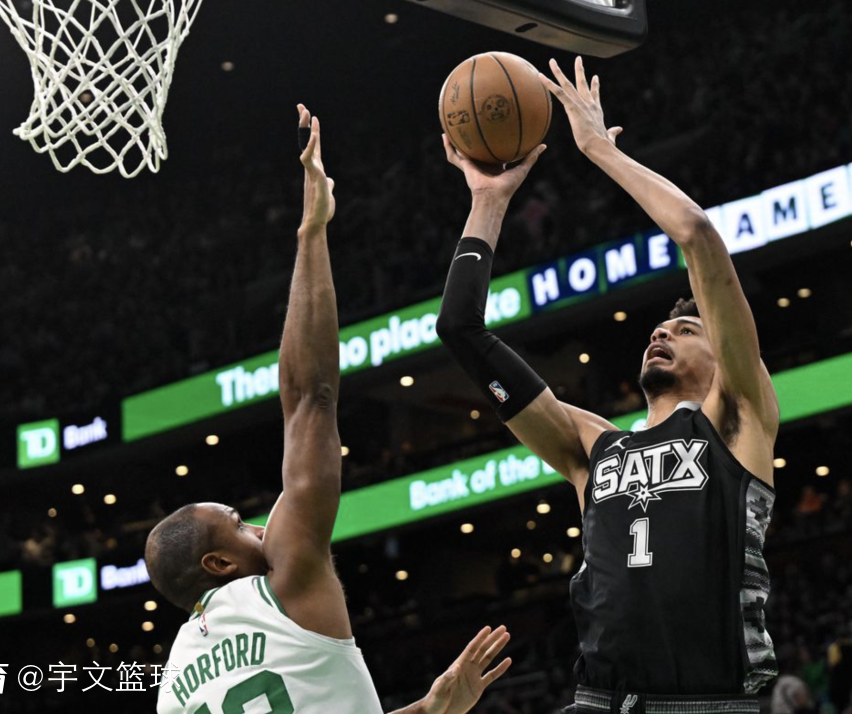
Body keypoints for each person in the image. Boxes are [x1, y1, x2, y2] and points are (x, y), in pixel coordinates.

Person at [435, 57, 779, 709]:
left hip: (703, 703)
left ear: (727, 359)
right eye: (659, 329)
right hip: (597, 701)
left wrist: (598, 149)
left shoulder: (736, 417)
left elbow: (697, 236)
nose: (661, 334)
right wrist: (488, 202)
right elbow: (460, 328)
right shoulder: (592, 449)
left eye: (686, 330)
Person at [146, 105, 512, 714]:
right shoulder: (286, 584)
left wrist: (429, 709)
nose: (260, 527)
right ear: (220, 563)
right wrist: (312, 231)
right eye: (240, 525)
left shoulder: (173, 687)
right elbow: (309, 400)